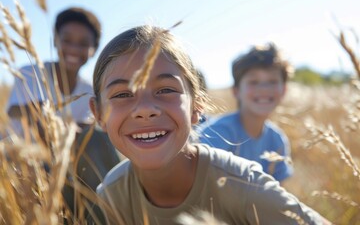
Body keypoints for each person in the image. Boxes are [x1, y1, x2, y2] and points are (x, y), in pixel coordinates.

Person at [89, 25, 331, 224]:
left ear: (197, 108)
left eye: (165, 90)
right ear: (97, 113)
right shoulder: (111, 195)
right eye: (122, 94)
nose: (144, 109)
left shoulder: (239, 182)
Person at [5, 6, 121, 220]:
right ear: (55, 41)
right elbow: (18, 113)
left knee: (100, 140)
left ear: (94, 49)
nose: (74, 49)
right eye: (67, 40)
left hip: (65, 159)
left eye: (84, 44)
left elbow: (85, 131)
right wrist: (48, 116)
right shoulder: (31, 73)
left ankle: (111, 207)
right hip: (22, 157)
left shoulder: (89, 90)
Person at [198, 43, 293, 183]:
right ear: (236, 91)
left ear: (284, 90)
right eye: (254, 82)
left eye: (272, 81)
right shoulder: (218, 133)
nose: (264, 89)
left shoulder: (277, 141)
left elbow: (279, 195)